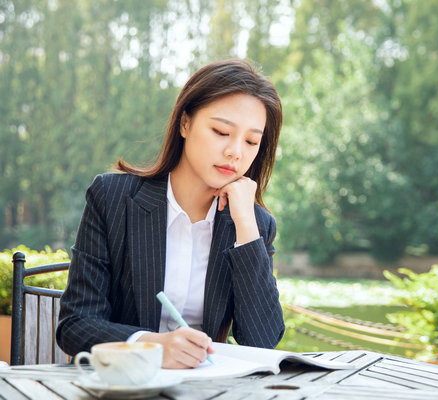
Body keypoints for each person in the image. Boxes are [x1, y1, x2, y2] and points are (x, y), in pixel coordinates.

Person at [57, 59, 285, 369]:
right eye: (221, 131)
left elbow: (262, 341)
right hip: (123, 385)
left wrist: (245, 222)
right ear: (185, 124)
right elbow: (75, 325)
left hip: (205, 389)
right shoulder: (112, 198)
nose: (236, 151)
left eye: (251, 141)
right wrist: (150, 346)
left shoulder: (255, 224)